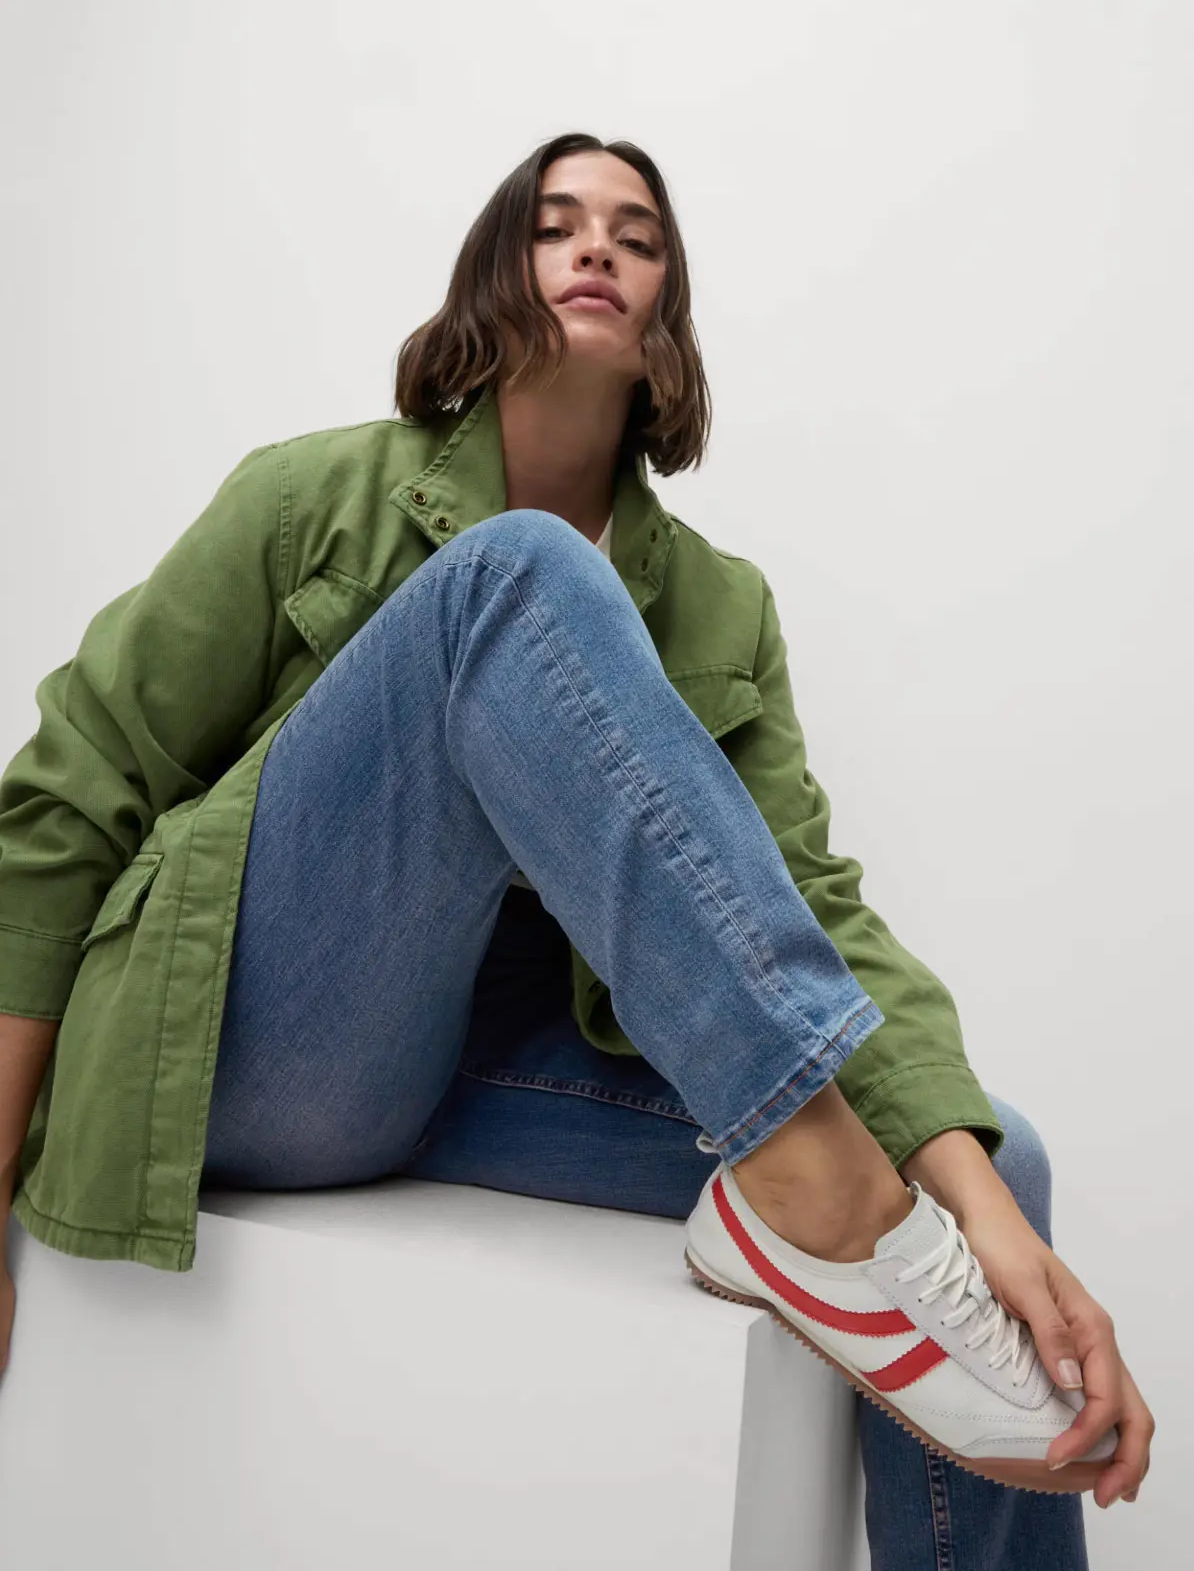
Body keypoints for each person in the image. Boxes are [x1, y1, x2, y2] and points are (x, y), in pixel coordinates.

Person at [0, 132, 1153, 1567]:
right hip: (262, 1048)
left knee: (995, 1158)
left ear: (667, 313)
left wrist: (974, 1197)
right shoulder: (311, 500)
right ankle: (824, 1204)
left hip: (485, 1070)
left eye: (637, 235)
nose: (597, 248)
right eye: (556, 226)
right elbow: (64, 805)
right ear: (501, 271)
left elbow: (800, 903)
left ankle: (856, 1235)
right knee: (520, 573)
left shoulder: (721, 609)